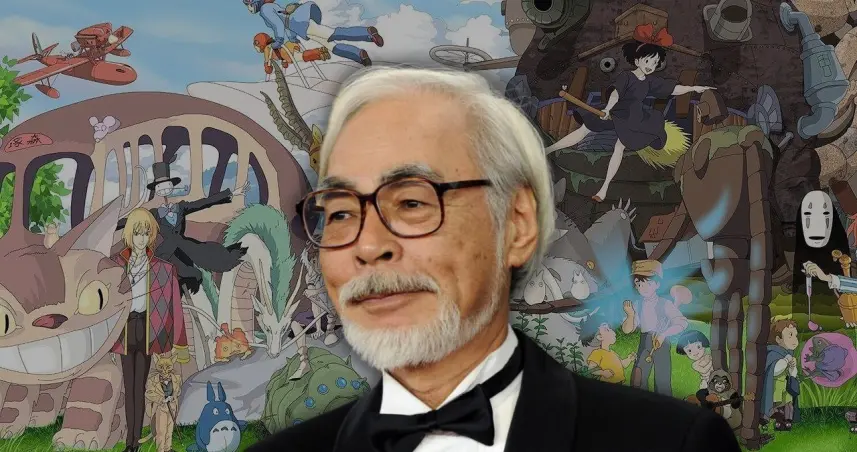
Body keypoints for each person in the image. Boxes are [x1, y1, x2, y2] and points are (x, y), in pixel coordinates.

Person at [248, 67, 740, 452]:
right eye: (339, 212)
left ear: (517, 225)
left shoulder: (672, 444)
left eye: (412, 202)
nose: (368, 245)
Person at [544, 24, 714, 202]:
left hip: (634, 118)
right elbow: (616, 94)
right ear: (638, 60)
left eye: (655, 63)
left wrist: (694, 88)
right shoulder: (626, 76)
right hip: (615, 110)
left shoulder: (649, 81)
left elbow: (672, 89)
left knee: (619, 147)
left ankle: (603, 189)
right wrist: (608, 109)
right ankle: (549, 150)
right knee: (584, 130)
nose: (650, 66)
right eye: (648, 61)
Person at [110, 208, 189, 452]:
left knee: (140, 387)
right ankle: (131, 443)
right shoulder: (115, 266)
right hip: (124, 330)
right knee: (129, 387)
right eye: (137, 233)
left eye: (146, 234)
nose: (141, 239)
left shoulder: (163, 268)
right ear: (129, 235)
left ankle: (134, 442)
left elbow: (175, 308)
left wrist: (179, 342)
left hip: (148, 331)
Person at [116, 157, 250, 295]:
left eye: (167, 185)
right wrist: (112, 224)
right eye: (160, 187)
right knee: (187, 274)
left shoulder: (181, 207)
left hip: (185, 246)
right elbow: (131, 220)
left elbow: (203, 203)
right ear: (156, 190)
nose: (164, 189)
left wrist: (231, 193)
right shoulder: (155, 213)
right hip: (167, 252)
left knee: (206, 257)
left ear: (172, 186)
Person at [621, 259, 690, 396]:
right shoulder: (637, 305)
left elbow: (682, 323)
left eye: (648, 283)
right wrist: (630, 315)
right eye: (639, 284)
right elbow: (627, 330)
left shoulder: (665, 304)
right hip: (644, 343)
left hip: (662, 343)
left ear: (657, 284)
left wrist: (664, 334)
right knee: (637, 378)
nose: (643, 288)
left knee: (662, 381)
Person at [244, 0, 383, 66]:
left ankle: (368, 33)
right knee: (331, 44)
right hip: (299, 24)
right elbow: (284, 20)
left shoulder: (265, 10)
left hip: (300, 23)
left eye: (248, 3)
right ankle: (360, 55)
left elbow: (279, 25)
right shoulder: (270, 6)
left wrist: (279, 41)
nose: (249, 7)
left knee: (332, 34)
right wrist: (292, 38)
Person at [580, 313, 635, 384]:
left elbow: (622, 364)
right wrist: (603, 373)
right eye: (607, 330)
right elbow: (591, 369)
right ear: (600, 337)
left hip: (619, 383)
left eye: (610, 328)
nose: (612, 331)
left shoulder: (612, 352)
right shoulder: (598, 353)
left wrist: (629, 359)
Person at [253, 31, 330, 81]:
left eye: (256, 46)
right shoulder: (274, 45)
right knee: (300, 56)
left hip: (286, 52)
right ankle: (319, 53)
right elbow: (280, 55)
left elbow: (268, 62)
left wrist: (267, 68)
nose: (256, 49)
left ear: (260, 43)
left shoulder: (267, 49)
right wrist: (284, 63)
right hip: (288, 47)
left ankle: (318, 52)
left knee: (300, 57)